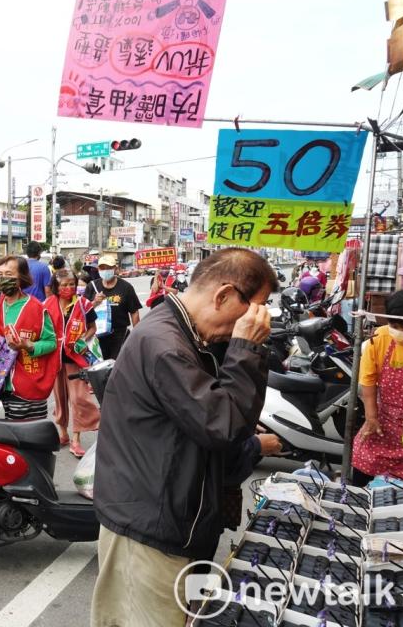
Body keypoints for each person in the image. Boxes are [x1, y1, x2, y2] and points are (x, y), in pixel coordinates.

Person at [90, 248, 276, 627]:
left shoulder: (183, 333)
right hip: (149, 530)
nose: (258, 319)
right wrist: (246, 348)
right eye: (255, 308)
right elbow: (223, 426)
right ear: (223, 296)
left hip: (163, 516)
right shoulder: (166, 345)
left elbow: (208, 414)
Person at [0, 256, 59, 420]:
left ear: (21, 277)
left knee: (30, 436)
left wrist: (29, 346)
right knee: (12, 432)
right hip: (1, 383)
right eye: (0, 275)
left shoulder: (37, 308)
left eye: (8, 274)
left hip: (28, 384)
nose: (3, 279)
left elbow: (51, 342)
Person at [44, 269, 99, 457]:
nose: (69, 288)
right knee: (60, 399)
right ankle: (63, 434)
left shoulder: (84, 304)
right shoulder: (47, 305)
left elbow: (93, 327)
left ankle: (76, 440)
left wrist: (84, 338)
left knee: (78, 398)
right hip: (54, 359)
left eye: (72, 284)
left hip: (76, 359)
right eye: (64, 285)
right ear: (56, 287)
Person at [353, 290, 403, 480]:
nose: (398, 332)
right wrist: (371, 417)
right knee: (363, 460)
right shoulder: (380, 339)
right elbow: (368, 381)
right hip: (383, 421)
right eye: (394, 326)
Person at [83, 254, 142, 360]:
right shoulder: (92, 286)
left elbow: (134, 312)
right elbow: (83, 311)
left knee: (117, 364)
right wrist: (95, 302)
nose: (105, 270)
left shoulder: (126, 287)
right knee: (100, 365)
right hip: (98, 334)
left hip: (119, 334)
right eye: (102, 268)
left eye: (109, 268)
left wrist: (136, 334)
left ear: (115, 269)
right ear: (98, 269)